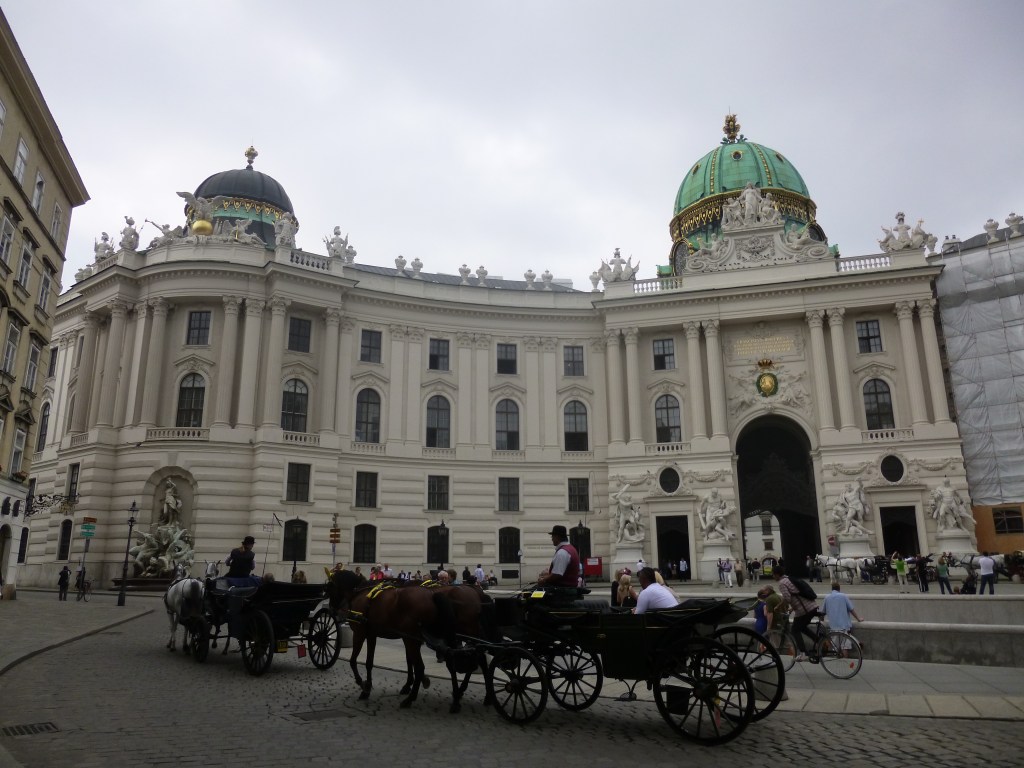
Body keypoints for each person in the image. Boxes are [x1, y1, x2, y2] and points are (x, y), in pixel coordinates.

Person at [774, 565, 819, 662]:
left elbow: (787, 598)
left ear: (777, 574)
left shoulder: (782, 583)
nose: (773, 577)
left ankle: (803, 653)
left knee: (794, 630)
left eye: (773, 575)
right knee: (802, 627)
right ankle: (819, 641)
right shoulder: (789, 579)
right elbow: (796, 596)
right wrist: (792, 608)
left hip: (805, 610)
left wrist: (778, 606)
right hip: (812, 606)